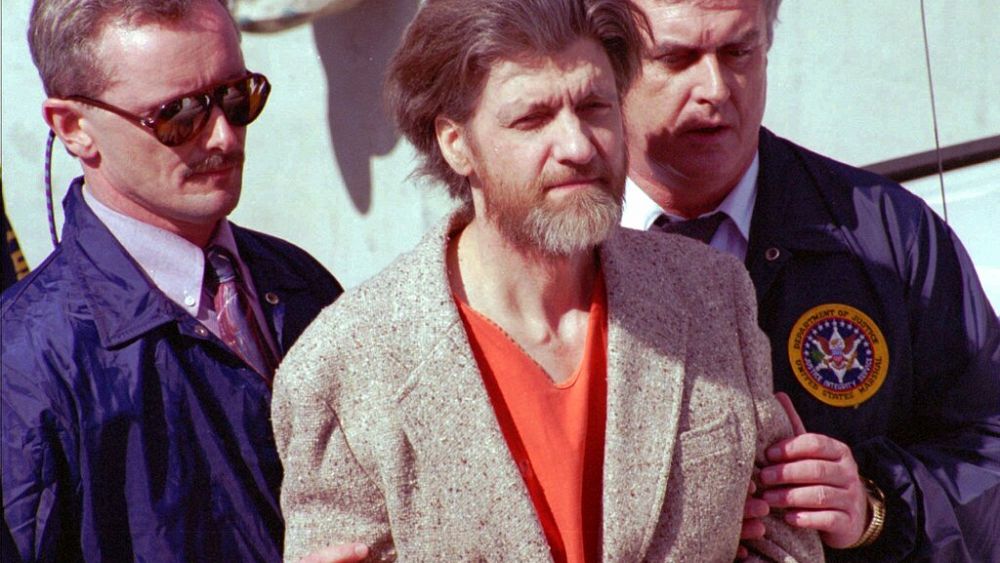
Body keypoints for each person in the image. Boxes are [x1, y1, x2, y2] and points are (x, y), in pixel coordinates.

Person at [273, 0, 822, 561]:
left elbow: (787, 542)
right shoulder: (341, 369)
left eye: (594, 106)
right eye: (533, 119)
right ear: (455, 142)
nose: (578, 146)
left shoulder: (711, 293)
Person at [619, 0, 1000, 560]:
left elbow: (988, 452)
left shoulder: (889, 237)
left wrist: (876, 506)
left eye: (738, 51)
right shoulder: (549, 254)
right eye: (676, 58)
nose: (715, 89)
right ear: (607, 62)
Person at [1, 1, 347, 560]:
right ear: (74, 128)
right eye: (179, 115)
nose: (224, 138)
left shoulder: (301, 283)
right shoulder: (23, 365)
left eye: (237, 97)